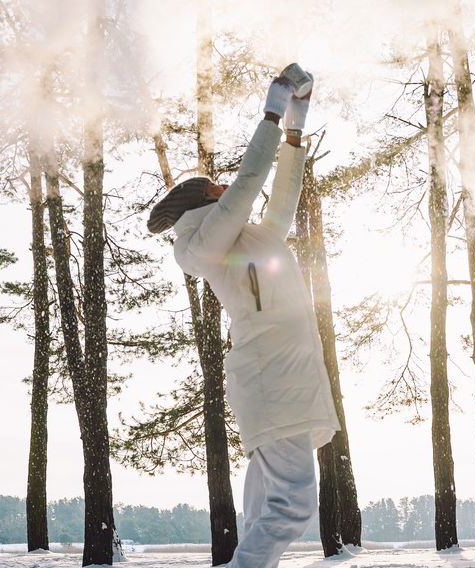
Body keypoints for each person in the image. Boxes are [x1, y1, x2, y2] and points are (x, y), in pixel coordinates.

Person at [147, 64, 339, 568]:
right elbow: (251, 180)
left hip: (286, 379)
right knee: (292, 505)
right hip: (273, 381)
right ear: (203, 200)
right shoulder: (203, 243)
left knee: (264, 511)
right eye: (216, 187)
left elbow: (282, 196)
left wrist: (295, 127)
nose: (224, 187)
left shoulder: (250, 239)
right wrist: (272, 110)